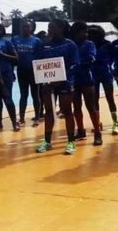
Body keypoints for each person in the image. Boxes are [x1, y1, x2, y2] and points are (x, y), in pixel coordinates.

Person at [35, 19, 80, 155]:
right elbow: (39, 63)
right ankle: (47, 142)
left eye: (52, 27)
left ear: (61, 29)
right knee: (49, 111)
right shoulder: (44, 45)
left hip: (65, 83)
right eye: (48, 27)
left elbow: (75, 64)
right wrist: (43, 78)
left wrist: (61, 78)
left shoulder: (70, 45)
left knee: (67, 111)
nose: (49, 30)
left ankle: (71, 142)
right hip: (48, 85)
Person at [71, 22, 102, 145]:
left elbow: (90, 59)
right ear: (77, 33)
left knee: (91, 107)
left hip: (87, 79)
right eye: (83, 31)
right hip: (74, 79)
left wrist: (75, 64)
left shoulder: (90, 44)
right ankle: (80, 130)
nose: (86, 34)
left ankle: (97, 133)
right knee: (76, 106)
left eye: (86, 32)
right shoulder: (71, 44)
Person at [89, 25, 118, 135]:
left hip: (106, 74)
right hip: (93, 75)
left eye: (94, 35)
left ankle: (115, 123)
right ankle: (98, 123)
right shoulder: (90, 45)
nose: (92, 37)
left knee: (110, 97)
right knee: (94, 99)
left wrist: (109, 65)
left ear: (100, 34)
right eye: (90, 35)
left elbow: (114, 57)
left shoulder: (108, 45)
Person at [12, 19, 42, 127]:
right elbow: (12, 55)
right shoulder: (15, 39)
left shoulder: (36, 41)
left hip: (33, 72)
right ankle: (21, 118)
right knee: (23, 95)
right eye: (23, 26)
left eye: (27, 27)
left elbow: (40, 57)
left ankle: (37, 117)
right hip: (21, 71)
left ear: (31, 28)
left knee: (35, 95)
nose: (25, 28)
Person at [0, 22, 20, 132]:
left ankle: (14, 122)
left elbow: (16, 58)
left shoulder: (7, 42)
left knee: (7, 99)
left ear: (1, 30)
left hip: (6, 74)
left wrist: (2, 54)